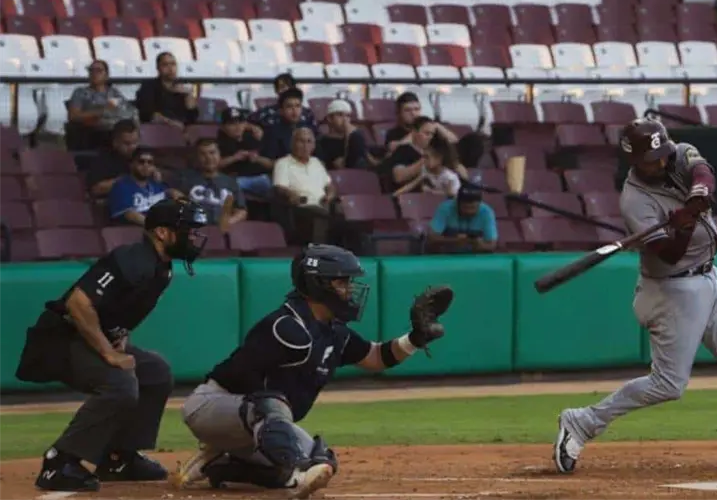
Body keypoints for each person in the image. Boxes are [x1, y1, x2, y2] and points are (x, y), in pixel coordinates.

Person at [551, 118, 717, 478]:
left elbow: (702, 171)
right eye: (652, 159)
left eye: (662, 154)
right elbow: (668, 255)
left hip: (710, 276)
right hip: (671, 290)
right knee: (668, 385)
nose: (662, 162)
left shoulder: (675, 154)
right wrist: (683, 225)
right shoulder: (635, 201)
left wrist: (697, 196)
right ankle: (583, 422)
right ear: (634, 162)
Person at [169, 244, 452, 499]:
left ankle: (219, 465)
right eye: (342, 282)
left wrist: (415, 339)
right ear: (318, 285)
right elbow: (238, 377)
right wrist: (276, 429)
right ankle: (289, 469)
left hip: (257, 421)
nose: (350, 290)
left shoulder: (333, 333)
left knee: (322, 461)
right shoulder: (286, 327)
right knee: (273, 410)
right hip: (210, 406)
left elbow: (377, 357)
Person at [15, 199, 209, 492]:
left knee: (154, 372)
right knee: (120, 383)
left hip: (85, 337)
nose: (194, 237)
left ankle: (119, 457)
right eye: (187, 230)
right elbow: (78, 303)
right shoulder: (134, 259)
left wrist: (120, 338)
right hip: (58, 339)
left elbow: (121, 309)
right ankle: (59, 462)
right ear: (161, 232)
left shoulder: (162, 268)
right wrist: (107, 351)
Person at [66, 60, 138, 150]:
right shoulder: (80, 92)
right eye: (91, 70)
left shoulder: (113, 93)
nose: (94, 73)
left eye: (98, 71)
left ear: (106, 75)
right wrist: (100, 112)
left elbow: (121, 109)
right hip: (93, 132)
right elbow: (73, 116)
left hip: (116, 128)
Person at [175, 139, 248, 226]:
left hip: (222, 231)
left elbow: (241, 211)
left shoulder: (231, 183)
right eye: (203, 154)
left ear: (220, 155)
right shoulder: (185, 178)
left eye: (212, 152)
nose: (208, 158)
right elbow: (173, 195)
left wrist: (229, 222)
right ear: (197, 157)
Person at [108, 147, 183, 226]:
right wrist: (156, 226)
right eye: (141, 162)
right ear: (131, 164)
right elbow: (130, 215)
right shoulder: (121, 186)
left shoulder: (158, 186)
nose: (146, 165)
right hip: (133, 231)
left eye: (150, 162)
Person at [216, 107, 274, 197]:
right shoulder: (220, 142)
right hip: (235, 179)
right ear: (223, 127)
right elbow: (214, 165)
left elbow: (271, 164)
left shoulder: (252, 138)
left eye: (240, 122)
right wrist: (234, 158)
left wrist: (257, 159)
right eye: (232, 124)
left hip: (260, 177)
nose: (237, 126)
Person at [134, 51, 199, 130]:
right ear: (158, 68)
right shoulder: (148, 86)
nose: (170, 68)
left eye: (173, 64)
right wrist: (172, 123)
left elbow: (192, 118)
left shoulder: (182, 88)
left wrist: (188, 95)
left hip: (182, 132)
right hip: (156, 130)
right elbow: (147, 113)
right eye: (165, 65)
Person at [426, 185, 498, 253]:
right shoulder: (445, 208)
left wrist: (482, 246)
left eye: (473, 208)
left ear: (480, 204)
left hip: (475, 257)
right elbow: (431, 238)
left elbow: (492, 244)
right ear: (457, 203)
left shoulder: (487, 212)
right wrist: (456, 241)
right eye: (465, 207)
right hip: (447, 257)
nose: (469, 211)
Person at [383, 92, 459, 151]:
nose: (413, 113)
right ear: (399, 113)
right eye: (407, 110)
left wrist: (436, 126)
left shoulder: (430, 126)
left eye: (416, 109)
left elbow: (454, 141)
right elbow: (395, 148)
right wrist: (415, 133)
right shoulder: (393, 133)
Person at [87, 120, 142, 198]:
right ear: (115, 142)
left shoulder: (142, 154)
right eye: (127, 143)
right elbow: (96, 189)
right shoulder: (103, 158)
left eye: (135, 142)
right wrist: (128, 180)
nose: (132, 147)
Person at [393, 135, 462, 198]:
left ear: (439, 159)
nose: (423, 160)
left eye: (427, 157)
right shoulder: (425, 170)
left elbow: (450, 195)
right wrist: (395, 194)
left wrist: (431, 192)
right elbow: (411, 185)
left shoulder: (448, 176)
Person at [248, 73, 317, 132]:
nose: (285, 89)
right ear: (276, 91)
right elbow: (249, 121)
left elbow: (315, 134)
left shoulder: (307, 114)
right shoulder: (266, 113)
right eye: (282, 87)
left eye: (289, 86)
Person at [315, 99, 371, 170]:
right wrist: (350, 136)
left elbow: (370, 161)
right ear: (329, 118)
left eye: (347, 116)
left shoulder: (356, 138)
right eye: (340, 115)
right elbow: (341, 166)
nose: (345, 120)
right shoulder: (321, 142)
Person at [261, 87, 313, 161]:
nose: (294, 110)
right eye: (289, 107)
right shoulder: (273, 132)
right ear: (281, 111)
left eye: (297, 106)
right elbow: (271, 161)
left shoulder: (308, 128)